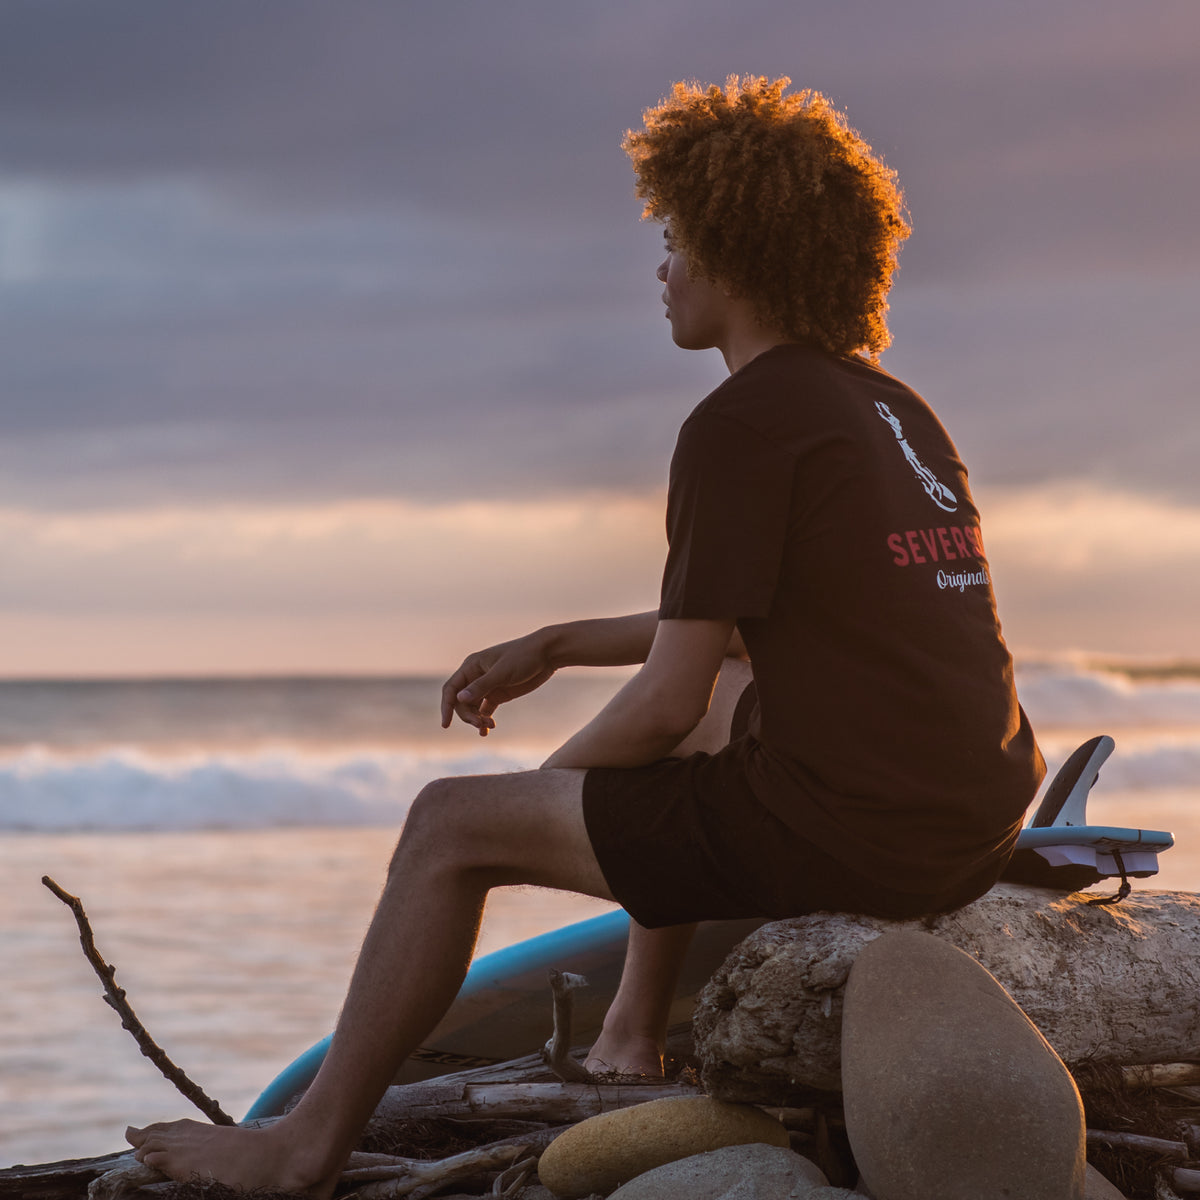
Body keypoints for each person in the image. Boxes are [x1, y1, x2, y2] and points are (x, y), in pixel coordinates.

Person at [126, 76, 1044, 1196]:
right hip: (978, 812)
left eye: (673, 240)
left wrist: (527, 806)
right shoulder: (891, 409)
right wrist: (561, 640)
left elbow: (663, 702)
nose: (662, 270)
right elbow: (777, 629)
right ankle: (631, 1034)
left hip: (862, 832)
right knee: (722, 707)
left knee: (446, 821)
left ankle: (303, 1149)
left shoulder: (739, 425)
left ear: (728, 244)